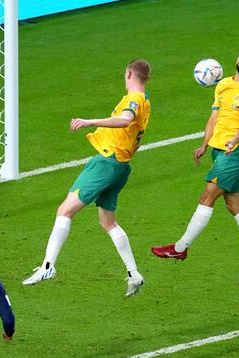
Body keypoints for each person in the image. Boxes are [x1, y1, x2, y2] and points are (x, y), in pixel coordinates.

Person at [22, 59, 152, 297]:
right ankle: (134, 273)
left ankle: (48, 267)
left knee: (64, 211)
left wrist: (89, 121)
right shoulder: (147, 103)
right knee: (108, 223)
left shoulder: (134, 100)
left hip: (106, 163)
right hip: (121, 167)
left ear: (129, 73)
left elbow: (124, 119)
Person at [151, 46, 239, 281]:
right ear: (237, 58)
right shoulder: (223, 84)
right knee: (233, 203)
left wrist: (232, 142)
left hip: (233, 153)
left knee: (207, 197)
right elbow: (214, 118)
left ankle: (180, 247)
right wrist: (204, 145)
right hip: (218, 151)